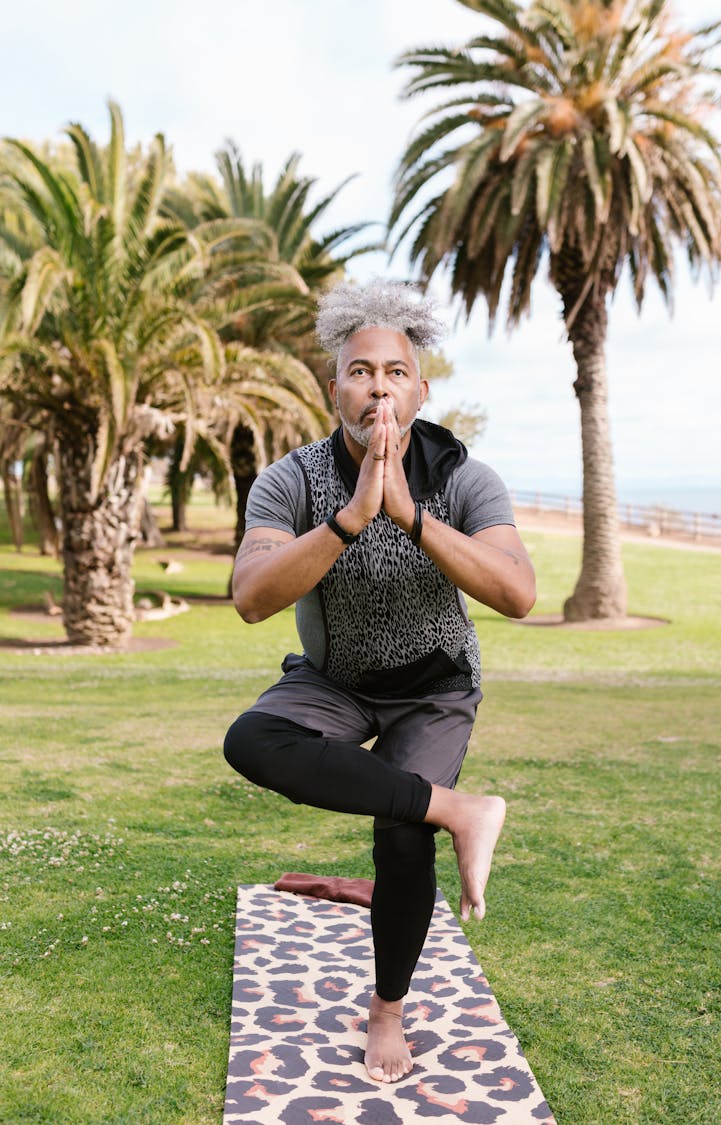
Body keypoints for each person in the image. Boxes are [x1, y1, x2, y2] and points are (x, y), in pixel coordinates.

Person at [223, 279, 536, 1084]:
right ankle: (459, 810)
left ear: (421, 389)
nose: (379, 386)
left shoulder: (465, 477)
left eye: (396, 372)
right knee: (253, 738)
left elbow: (518, 593)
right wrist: (349, 519)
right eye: (360, 371)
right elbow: (252, 599)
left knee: (402, 841)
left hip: (433, 685)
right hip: (335, 679)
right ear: (335, 389)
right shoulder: (291, 480)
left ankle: (387, 1009)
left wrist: (410, 515)